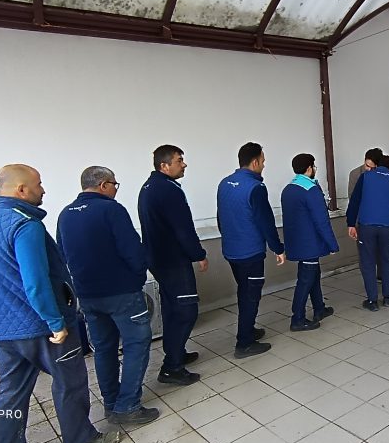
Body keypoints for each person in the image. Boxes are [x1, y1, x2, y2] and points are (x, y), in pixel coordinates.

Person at [0, 164, 122, 443]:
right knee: (70, 382)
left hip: (1, 331)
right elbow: (36, 282)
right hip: (40, 328)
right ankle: (81, 440)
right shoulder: (25, 224)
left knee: (10, 393)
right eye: (38, 184)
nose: (43, 190)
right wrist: (56, 323)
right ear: (21, 189)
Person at [57, 166, 158, 425]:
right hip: (122, 292)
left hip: (88, 295)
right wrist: (137, 278)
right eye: (114, 184)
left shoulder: (65, 214)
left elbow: (62, 255)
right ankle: (128, 406)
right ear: (103, 184)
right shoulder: (111, 210)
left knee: (104, 348)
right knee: (137, 344)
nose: (115, 189)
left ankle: (111, 403)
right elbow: (132, 250)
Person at [138, 145, 207, 385]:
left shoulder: (149, 186)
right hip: (173, 260)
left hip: (158, 258)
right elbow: (183, 228)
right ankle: (171, 367)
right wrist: (198, 254)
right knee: (186, 310)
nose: (184, 164)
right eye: (179, 160)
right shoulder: (168, 190)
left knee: (171, 308)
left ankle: (176, 352)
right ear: (164, 165)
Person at [217, 142, 287, 357]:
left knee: (244, 291)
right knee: (251, 295)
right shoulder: (255, 188)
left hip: (231, 250)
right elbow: (265, 221)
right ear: (255, 162)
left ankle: (248, 329)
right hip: (250, 252)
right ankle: (244, 343)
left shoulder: (225, 183)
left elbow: (220, 217)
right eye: (263, 161)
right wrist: (278, 248)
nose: (264, 165)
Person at [281, 153, 339, 331]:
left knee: (313, 275)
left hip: (296, 242)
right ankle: (297, 318)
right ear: (309, 168)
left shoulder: (288, 189)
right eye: (314, 166)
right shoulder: (310, 190)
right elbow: (321, 220)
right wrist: (332, 244)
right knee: (305, 280)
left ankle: (319, 308)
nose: (315, 169)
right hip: (310, 244)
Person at [347, 149, 389, 311]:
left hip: (366, 226)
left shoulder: (365, 177)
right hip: (388, 227)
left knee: (368, 262)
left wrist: (351, 224)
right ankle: (388, 297)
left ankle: (372, 301)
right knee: (387, 260)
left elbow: (354, 202)